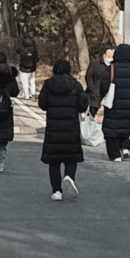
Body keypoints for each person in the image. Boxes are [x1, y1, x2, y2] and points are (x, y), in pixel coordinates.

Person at [37, 59, 88, 200]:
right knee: (71, 158)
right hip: (71, 127)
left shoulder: (48, 85)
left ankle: (57, 191)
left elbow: (42, 103)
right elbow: (83, 105)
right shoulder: (76, 86)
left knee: (54, 161)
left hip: (53, 128)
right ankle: (69, 177)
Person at [98, 43, 130, 162]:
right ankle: (125, 147)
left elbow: (103, 86)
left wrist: (102, 96)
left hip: (113, 103)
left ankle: (115, 154)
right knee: (125, 124)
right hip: (129, 103)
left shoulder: (111, 69)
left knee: (111, 127)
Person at [84, 45, 113, 118]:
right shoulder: (95, 63)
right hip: (96, 91)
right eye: (108, 55)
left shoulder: (115, 64)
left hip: (111, 91)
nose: (110, 57)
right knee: (92, 112)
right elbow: (88, 76)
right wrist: (92, 89)